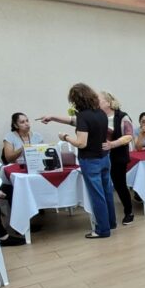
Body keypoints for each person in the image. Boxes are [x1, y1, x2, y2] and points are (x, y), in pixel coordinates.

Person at [43, 82, 115, 238]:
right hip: (104, 158)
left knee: (97, 195)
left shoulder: (83, 116)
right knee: (107, 191)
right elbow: (72, 120)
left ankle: (102, 230)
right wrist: (53, 117)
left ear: (76, 100)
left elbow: (82, 143)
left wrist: (65, 137)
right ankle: (110, 223)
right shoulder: (100, 113)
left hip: (91, 161)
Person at [100, 91, 136, 226]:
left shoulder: (122, 117)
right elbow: (76, 121)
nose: (96, 102)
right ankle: (107, 216)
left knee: (120, 185)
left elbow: (129, 136)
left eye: (99, 100)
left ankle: (129, 212)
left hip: (118, 156)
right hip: (101, 157)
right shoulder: (98, 117)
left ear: (108, 102)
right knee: (103, 186)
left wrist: (112, 144)